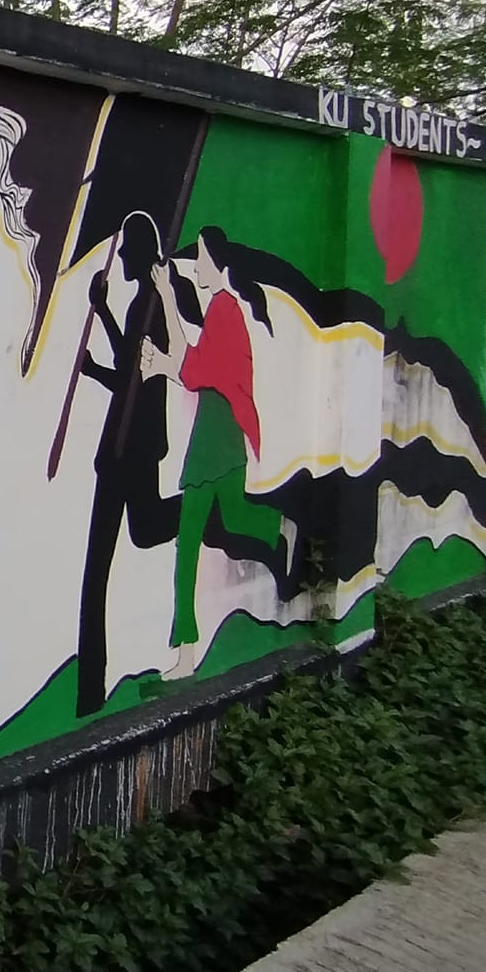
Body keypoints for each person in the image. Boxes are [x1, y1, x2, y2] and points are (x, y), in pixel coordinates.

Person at [141, 226, 296, 680]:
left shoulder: (225, 309)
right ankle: (279, 527)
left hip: (218, 439)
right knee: (227, 520)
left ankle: (186, 655)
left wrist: (162, 364)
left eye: (202, 259)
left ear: (218, 263)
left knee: (191, 541)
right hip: (216, 436)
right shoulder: (219, 310)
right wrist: (167, 295)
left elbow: (193, 370)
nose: (197, 267)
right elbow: (190, 359)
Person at [72, 212, 180, 715]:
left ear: (140, 253)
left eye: (128, 254)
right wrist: (105, 311)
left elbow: (129, 377)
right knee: (141, 531)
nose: (123, 262)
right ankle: (90, 692)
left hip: (127, 448)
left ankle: (201, 507)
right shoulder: (145, 302)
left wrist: (96, 350)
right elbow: (129, 365)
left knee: (108, 559)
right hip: (129, 446)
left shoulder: (151, 304)